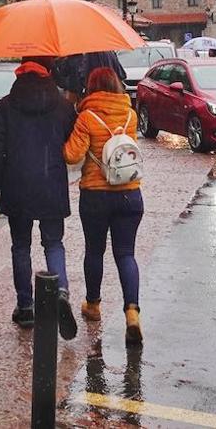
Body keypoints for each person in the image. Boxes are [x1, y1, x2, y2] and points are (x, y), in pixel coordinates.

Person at [0, 57, 79, 340]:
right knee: (53, 242)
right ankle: (60, 291)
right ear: (48, 71)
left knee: (20, 246)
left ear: (21, 71)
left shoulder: (6, 105)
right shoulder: (61, 105)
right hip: (51, 182)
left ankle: (25, 306)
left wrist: (0, 181)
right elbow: (72, 137)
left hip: (18, 183)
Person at [63, 67, 145, 346]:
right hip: (130, 194)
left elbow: (72, 156)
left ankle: (93, 305)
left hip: (96, 195)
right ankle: (132, 311)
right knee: (126, 255)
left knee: (94, 251)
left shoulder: (87, 117)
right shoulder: (130, 114)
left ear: (92, 88)